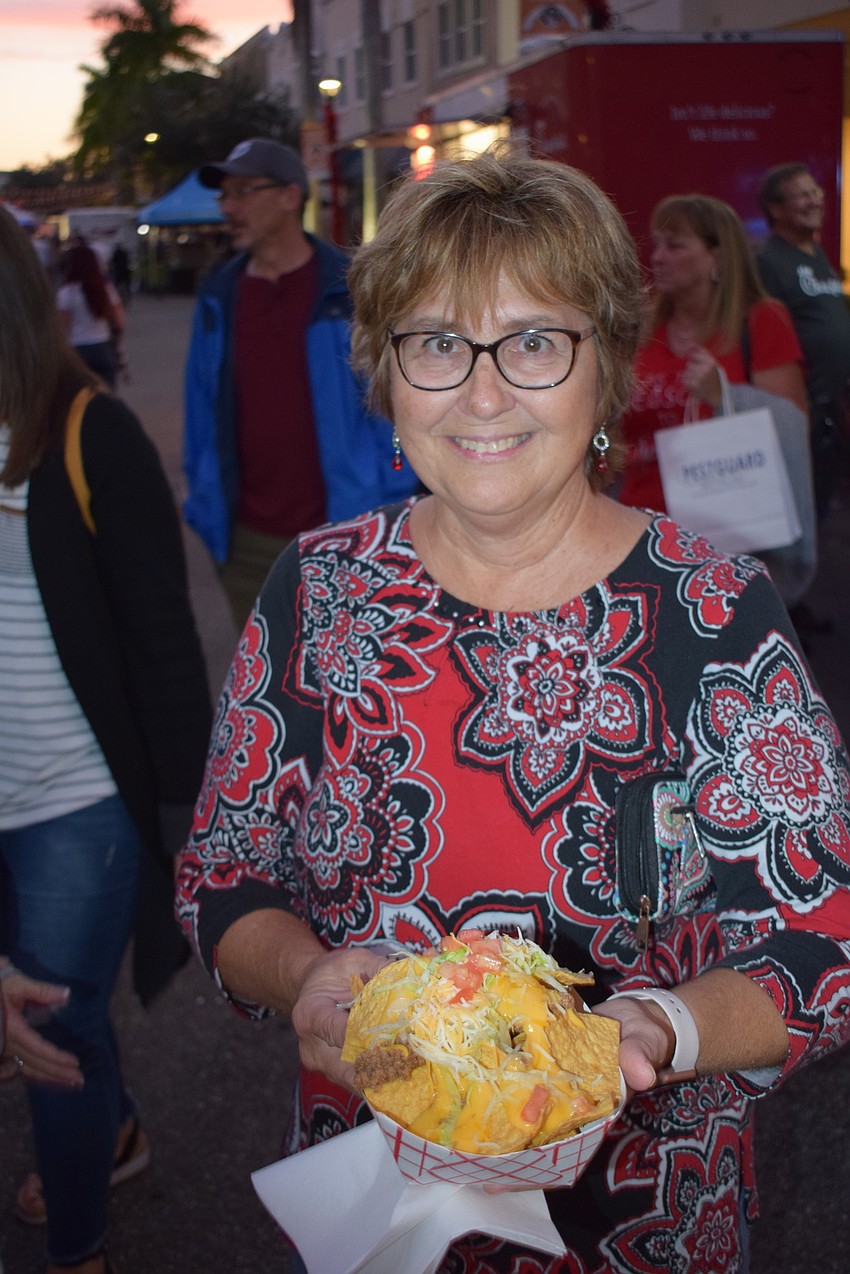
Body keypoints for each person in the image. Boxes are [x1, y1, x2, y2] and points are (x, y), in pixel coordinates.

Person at [175, 146, 850, 1273]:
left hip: (637, 1212)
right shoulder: (320, 586)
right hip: (377, 1195)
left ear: (605, 372)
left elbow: (820, 937)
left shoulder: (708, 608)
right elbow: (222, 871)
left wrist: (657, 1027)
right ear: (385, 376)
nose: (481, 392)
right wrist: (303, 975)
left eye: (533, 340)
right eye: (438, 342)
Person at [0, 205, 213, 1274]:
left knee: (50, 1026)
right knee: (45, 1006)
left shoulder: (87, 433)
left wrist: (183, 810)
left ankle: (79, 1245)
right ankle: (117, 1123)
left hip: (73, 798)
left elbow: (165, 642)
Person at [183, 137, 419, 631]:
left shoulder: (351, 288)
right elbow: (199, 410)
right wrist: (205, 504)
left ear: (291, 197)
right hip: (246, 542)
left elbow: (397, 405)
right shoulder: (219, 296)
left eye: (244, 191)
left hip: (348, 531)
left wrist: (391, 501)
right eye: (225, 195)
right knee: (266, 692)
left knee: (352, 688)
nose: (230, 207)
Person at [618, 193, 807, 514]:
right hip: (641, 521)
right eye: (657, 243)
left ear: (717, 258)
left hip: (728, 524)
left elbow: (793, 426)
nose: (658, 257)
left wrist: (725, 396)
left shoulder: (760, 320)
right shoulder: (645, 328)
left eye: (675, 246)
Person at [756, 163, 850, 522]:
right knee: (804, 513)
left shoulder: (818, 254)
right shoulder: (769, 262)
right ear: (776, 209)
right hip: (806, 414)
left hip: (835, 411)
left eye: (816, 192)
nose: (815, 201)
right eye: (803, 195)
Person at [56, 240, 126, 390]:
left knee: (83, 398)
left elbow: (63, 328)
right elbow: (118, 320)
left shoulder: (67, 292)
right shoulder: (105, 289)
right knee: (108, 396)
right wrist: (117, 341)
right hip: (103, 346)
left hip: (78, 350)